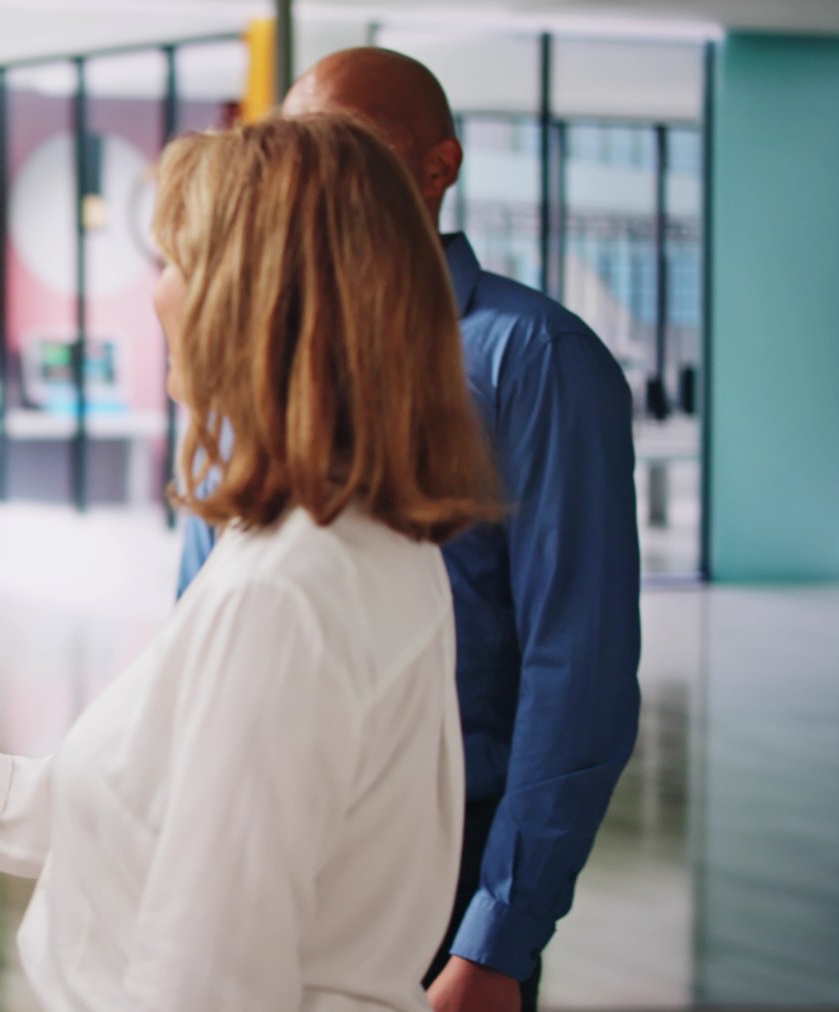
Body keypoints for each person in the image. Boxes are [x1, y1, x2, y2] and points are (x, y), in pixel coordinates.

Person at [0, 115, 503, 1010]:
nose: (157, 296)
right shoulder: (361, 541)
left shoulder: (286, 594)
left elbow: (206, 978)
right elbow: (154, 813)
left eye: (175, 262)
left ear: (253, 300)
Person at [186, 48, 644, 1012]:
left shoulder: (535, 360)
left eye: (353, 143)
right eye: (303, 143)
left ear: (440, 168)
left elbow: (578, 664)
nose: (323, 170)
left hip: (441, 854)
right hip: (259, 836)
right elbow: (197, 622)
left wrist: (498, 939)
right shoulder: (251, 353)